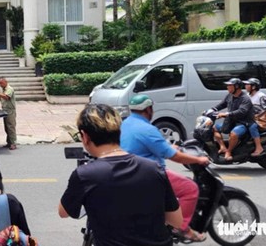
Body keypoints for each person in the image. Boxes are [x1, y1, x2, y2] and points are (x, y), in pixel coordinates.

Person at [59, 103, 182, 246]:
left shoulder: (85, 175)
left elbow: (63, 212)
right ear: (119, 132)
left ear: (85, 137)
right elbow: (176, 220)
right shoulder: (154, 168)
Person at [120, 94, 209, 243]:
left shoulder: (126, 124)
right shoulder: (147, 129)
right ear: (148, 109)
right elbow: (174, 157)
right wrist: (199, 159)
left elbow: (152, 145)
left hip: (128, 172)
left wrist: (169, 146)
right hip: (149, 175)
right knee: (190, 188)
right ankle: (181, 228)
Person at [210, 78, 256, 160]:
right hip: (231, 121)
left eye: (230, 86)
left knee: (233, 134)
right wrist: (212, 109)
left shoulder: (245, 98)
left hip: (243, 122)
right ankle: (222, 147)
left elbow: (242, 111)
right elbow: (221, 105)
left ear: (237, 86)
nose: (227, 87)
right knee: (214, 128)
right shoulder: (229, 96)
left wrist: (226, 114)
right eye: (227, 85)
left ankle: (229, 151)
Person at [244, 78, 266, 154]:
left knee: (252, 127)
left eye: (247, 84)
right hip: (251, 118)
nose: (245, 86)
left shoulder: (260, 96)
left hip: (260, 120)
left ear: (253, 87)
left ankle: (259, 148)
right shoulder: (247, 95)